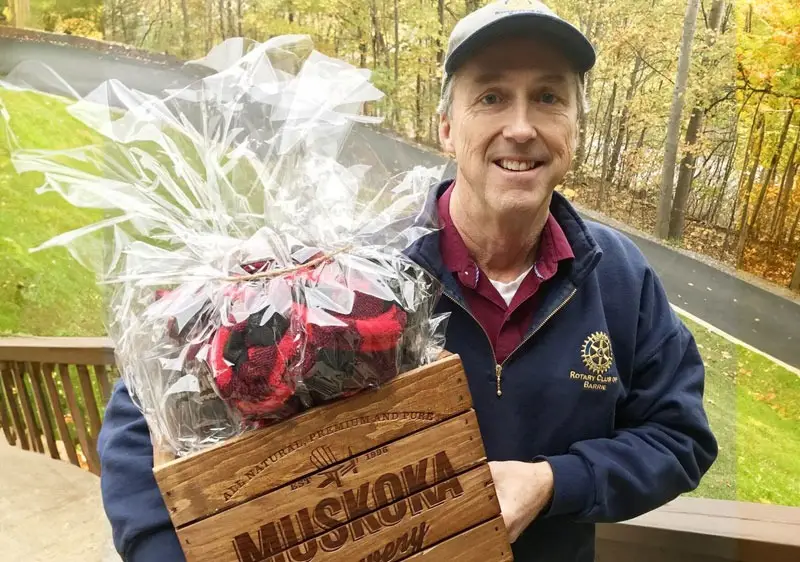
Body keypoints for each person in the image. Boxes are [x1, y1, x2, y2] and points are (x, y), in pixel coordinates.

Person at [97, 1, 718, 560]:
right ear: (447, 127)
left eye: (549, 98)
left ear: (575, 132)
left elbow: (678, 437)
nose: (522, 127)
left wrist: (555, 481)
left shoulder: (618, 278)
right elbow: (149, 410)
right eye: (492, 97)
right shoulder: (355, 274)